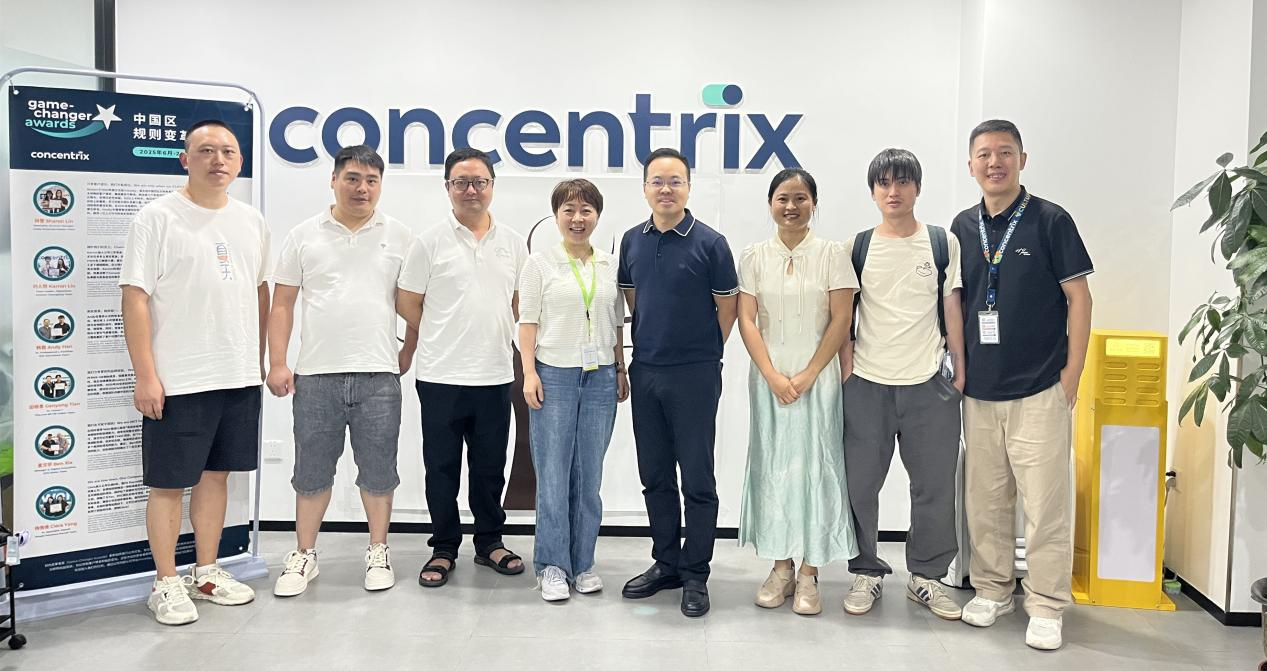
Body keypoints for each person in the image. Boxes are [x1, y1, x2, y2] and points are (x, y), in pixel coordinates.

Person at [120, 118, 270, 625]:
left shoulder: (251, 220)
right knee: (168, 483)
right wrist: (146, 375)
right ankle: (165, 582)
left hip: (237, 375)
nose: (218, 160)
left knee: (215, 476)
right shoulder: (157, 218)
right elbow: (135, 298)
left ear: (240, 161)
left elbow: (260, 291)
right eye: (206, 150)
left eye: (228, 151)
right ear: (186, 159)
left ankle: (206, 571)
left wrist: (257, 360)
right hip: (179, 378)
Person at [951, 119, 1093, 651]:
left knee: (1044, 503)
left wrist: (1072, 373)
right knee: (986, 500)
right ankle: (992, 590)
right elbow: (957, 303)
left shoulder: (1051, 220)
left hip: (1040, 386)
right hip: (980, 390)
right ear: (971, 165)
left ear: (1022, 160)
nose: (995, 163)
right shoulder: (962, 227)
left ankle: (1047, 604)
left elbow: (1079, 299)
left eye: (1005, 153)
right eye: (985, 154)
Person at [266, 145, 416, 597]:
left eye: (371, 180)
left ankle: (378, 550)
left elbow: (415, 301)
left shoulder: (400, 235)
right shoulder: (303, 235)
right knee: (311, 472)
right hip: (316, 375)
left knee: (379, 472)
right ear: (333, 180)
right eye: (352, 178)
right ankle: (304, 554)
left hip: (378, 376)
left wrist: (409, 348)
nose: (361, 188)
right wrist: (277, 362)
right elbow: (282, 303)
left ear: (380, 185)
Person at [840, 148, 967, 621]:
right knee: (860, 485)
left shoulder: (941, 242)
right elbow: (844, 312)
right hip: (867, 384)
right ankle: (865, 572)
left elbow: (951, 305)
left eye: (902, 182)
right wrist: (847, 368)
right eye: (884, 183)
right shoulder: (857, 247)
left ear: (917, 187)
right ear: (873, 192)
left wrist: (959, 367)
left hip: (928, 383)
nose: (893, 192)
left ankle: (926, 577)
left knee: (934, 486)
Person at [396, 148, 528, 587]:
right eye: (461, 182)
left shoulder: (512, 242)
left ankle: (490, 542)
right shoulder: (428, 242)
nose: (471, 190)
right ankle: (444, 547)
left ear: (492, 186)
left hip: (494, 374)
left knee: (490, 468)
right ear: (448, 187)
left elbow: (517, 302)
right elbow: (407, 302)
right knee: (442, 468)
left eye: (479, 182)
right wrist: (441, 329)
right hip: (440, 376)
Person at [618, 147, 738, 618]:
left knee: (697, 478)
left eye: (675, 181)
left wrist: (701, 352)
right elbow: (633, 299)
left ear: (688, 187)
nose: (666, 189)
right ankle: (666, 563)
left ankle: (695, 573)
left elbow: (726, 310)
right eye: (657, 181)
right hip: (646, 370)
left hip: (695, 374)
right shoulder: (632, 240)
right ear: (645, 187)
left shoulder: (711, 243)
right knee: (655, 476)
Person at [736, 168, 858, 616]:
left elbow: (841, 319)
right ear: (770, 204)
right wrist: (771, 374)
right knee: (774, 468)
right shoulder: (753, 256)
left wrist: (809, 373)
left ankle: (809, 573)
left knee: (816, 468)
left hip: (818, 378)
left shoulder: (833, 254)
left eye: (801, 198)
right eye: (783, 198)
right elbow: (746, 319)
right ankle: (780, 567)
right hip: (769, 379)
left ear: (814, 204)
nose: (791, 206)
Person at [518, 179, 629, 602]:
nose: (577, 218)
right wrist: (529, 373)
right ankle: (551, 565)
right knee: (553, 473)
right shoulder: (539, 264)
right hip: (554, 375)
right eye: (569, 210)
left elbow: (616, 321)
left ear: (597, 215)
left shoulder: (610, 264)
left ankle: (583, 563)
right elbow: (527, 322)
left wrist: (620, 367)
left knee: (589, 475)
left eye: (586, 210)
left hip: (600, 377)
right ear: (556, 216)